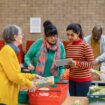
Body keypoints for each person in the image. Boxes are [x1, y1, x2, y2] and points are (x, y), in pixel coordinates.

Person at [0, 25, 41, 105]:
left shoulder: (10, 50)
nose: (22, 36)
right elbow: (14, 76)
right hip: (5, 95)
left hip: (10, 94)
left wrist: (32, 76)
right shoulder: (7, 51)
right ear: (15, 37)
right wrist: (29, 84)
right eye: (21, 34)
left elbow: (16, 73)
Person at [65, 23, 94, 96]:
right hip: (72, 80)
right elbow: (69, 62)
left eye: (72, 35)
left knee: (81, 102)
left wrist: (77, 63)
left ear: (78, 33)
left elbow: (91, 64)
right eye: (68, 34)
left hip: (83, 81)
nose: (69, 37)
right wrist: (66, 64)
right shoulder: (68, 46)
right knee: (73, 101)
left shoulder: (85, 46)